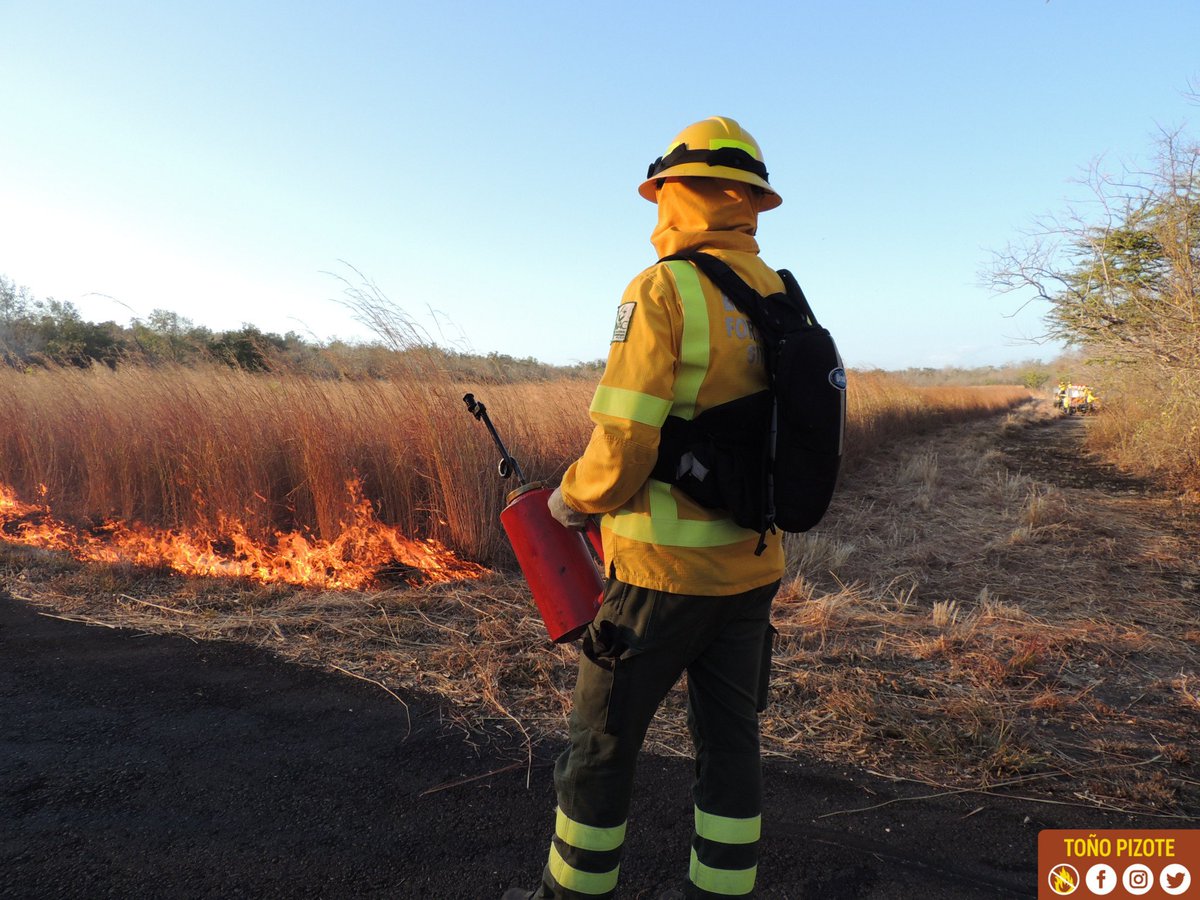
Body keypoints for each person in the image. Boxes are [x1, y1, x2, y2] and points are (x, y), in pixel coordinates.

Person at [503, 116, 789, 900]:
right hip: (751, 573)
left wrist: (568, 500)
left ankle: (570, 897)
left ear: (674, 195)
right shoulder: (777, 294)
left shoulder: (662, 289)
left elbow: (625, 442)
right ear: (749, 203)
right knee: (731, 748)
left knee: (599, 745)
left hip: (659, 580)